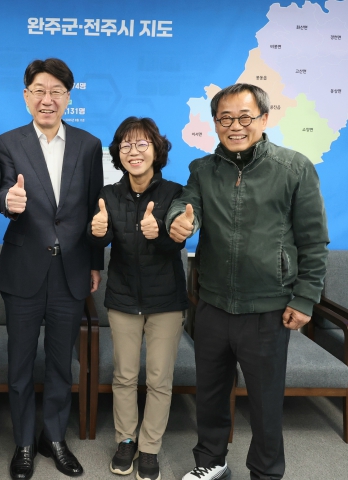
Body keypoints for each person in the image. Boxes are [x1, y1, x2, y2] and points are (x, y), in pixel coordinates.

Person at [166, 84, 329, 480]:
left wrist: (305, 298)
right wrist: (177, 221)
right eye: (225, 118)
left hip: (268, 308)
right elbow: (185, 204)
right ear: (215, 123)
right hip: (212, 304)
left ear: (264, 118)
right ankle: (211, 460)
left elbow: (313, 240)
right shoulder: (202, 170)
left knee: (265, 401)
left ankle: (266, 472)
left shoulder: (294, 168)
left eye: (244, 117)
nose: (234, 126)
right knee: (210, 393)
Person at [0, 58, 104, 480]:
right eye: (39, 90)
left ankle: (53, 437)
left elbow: (96, 208)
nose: (47, 99)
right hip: (23, 268)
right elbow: (3, 191)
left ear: (68, 98)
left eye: (56, 91)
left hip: (71, 270)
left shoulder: (89, 145)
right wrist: (8, 201)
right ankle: (24, 442)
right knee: (20, 363)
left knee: (61, 363)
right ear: (26, 96)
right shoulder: (7, 142)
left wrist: (95, 262)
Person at [87, 117, 188, 480]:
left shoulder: (175, 192)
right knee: (125, 376)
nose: (134, 151)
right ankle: (126, 440)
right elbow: (99, 238)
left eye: (142, 144)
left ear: (156, 150)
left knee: (159, 378)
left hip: (167, 301)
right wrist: (96, 232)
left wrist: (159, 233)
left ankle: (150, 447)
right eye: (126, 145)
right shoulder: (108, 194)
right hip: (123, 297)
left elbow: (177, 242)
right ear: (118, 153)